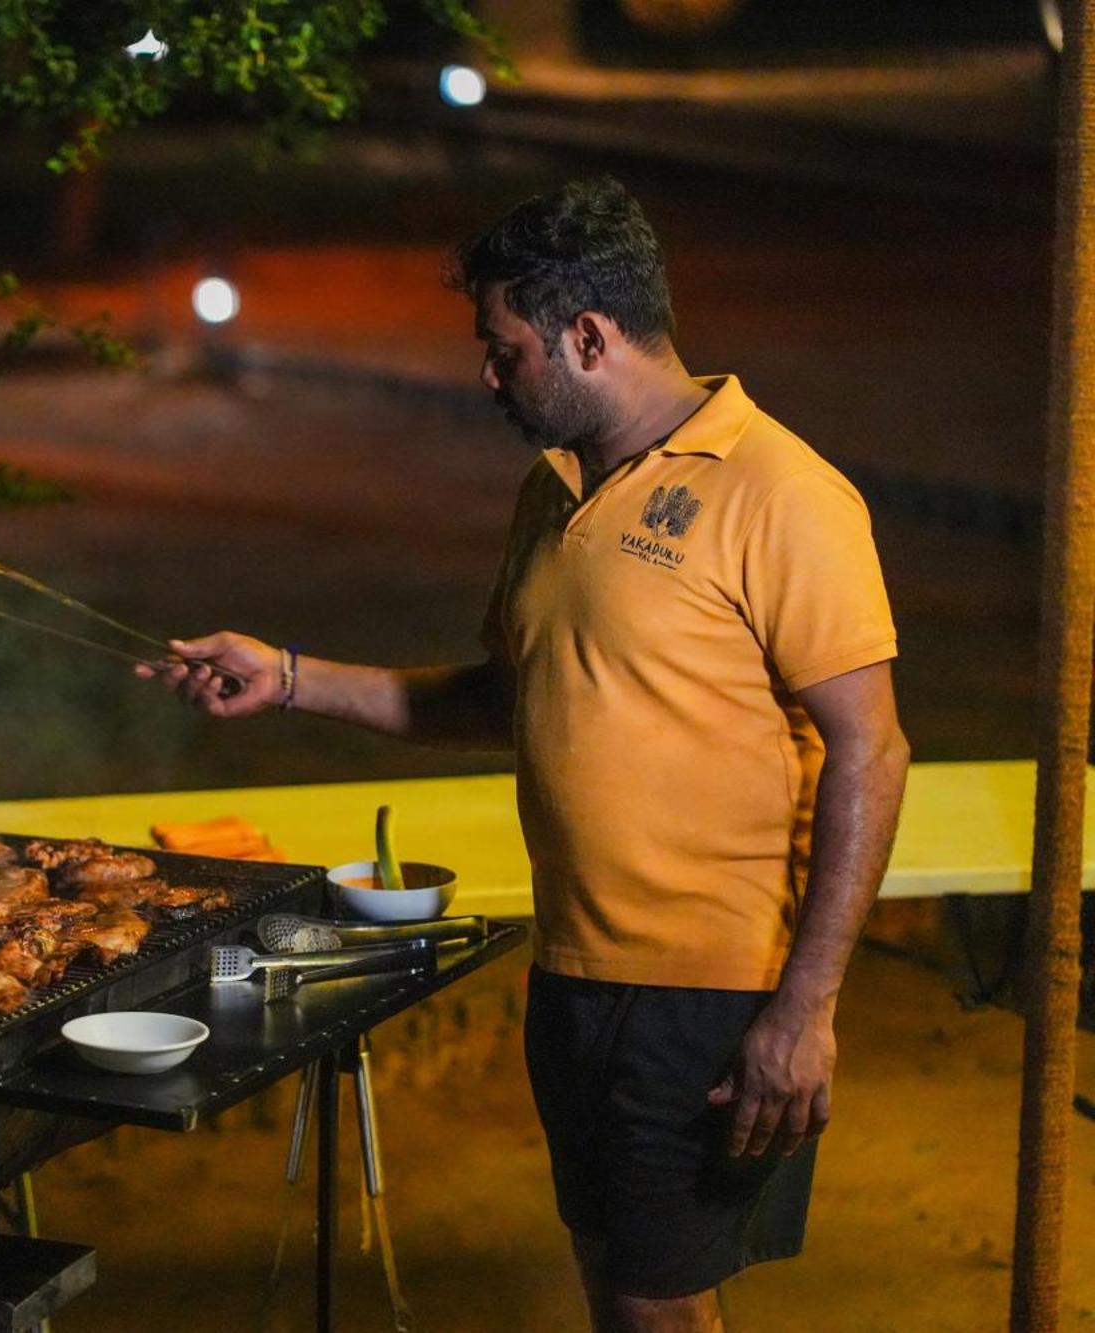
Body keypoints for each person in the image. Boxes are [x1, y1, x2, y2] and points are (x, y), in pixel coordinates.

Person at [142, 177, 909, 1333]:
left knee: (658, 1306)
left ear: (586, 337)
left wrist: (802, 1010)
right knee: (612, 1279)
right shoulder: (549, 493)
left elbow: (872, 748)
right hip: (572, 973)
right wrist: (289, 675)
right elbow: (507, 697)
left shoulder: (781, 494)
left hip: (709, 987)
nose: (486, 377)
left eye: (501, 350)